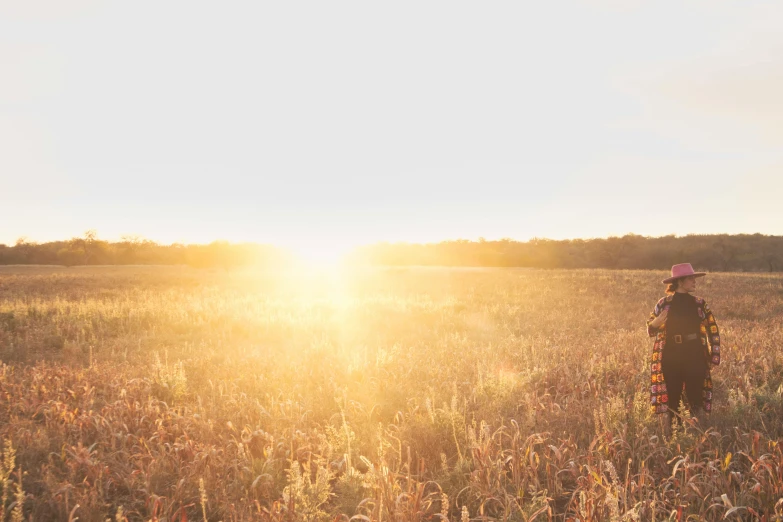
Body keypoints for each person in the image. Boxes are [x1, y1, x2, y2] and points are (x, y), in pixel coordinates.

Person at [646, 263, 722, 424]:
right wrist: (655, 323)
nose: (694, 281)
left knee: (695, 397)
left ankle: (696, 433)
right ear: (680, 281)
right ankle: (675, 432)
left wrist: (714, 355)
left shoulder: (699, 303)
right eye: (691, 278)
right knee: (673, 397)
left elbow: (713, 330)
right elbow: (650, 330)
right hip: (671, 356)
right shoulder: (663, 303)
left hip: (695, 355)